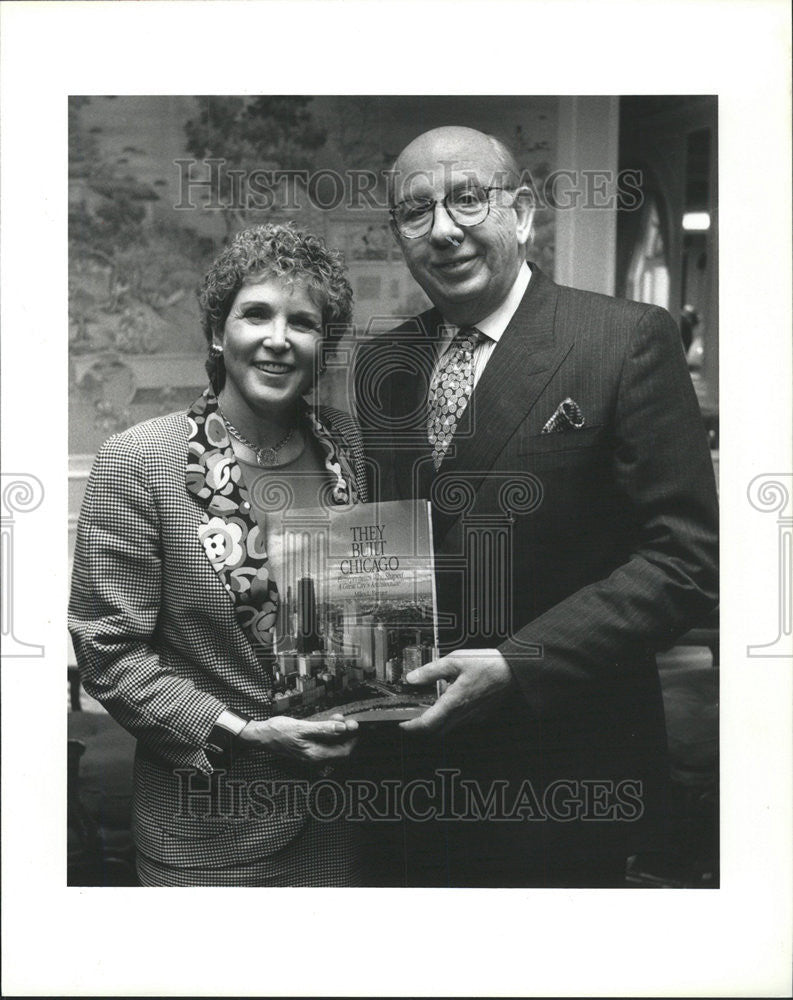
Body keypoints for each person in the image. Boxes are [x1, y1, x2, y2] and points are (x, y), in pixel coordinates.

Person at [353, 126, 719, 887]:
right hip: (406, 762)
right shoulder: (383, 362)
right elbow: (385, 543)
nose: (443, 229)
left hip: (561, 769)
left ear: (520, 213)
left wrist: (517, 665)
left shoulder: (622, 341)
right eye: (415, 212)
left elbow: (686, 561)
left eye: (466, 200)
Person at [69, 222, 367, 886]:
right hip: (209, 832)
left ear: (324, 346)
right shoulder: (139, 462)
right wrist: (240, 731)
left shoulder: (355, 453)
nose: (278, 339)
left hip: (342, 822)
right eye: (256, 313)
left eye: (304, 323)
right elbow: (109, 651)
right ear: (216, 330)